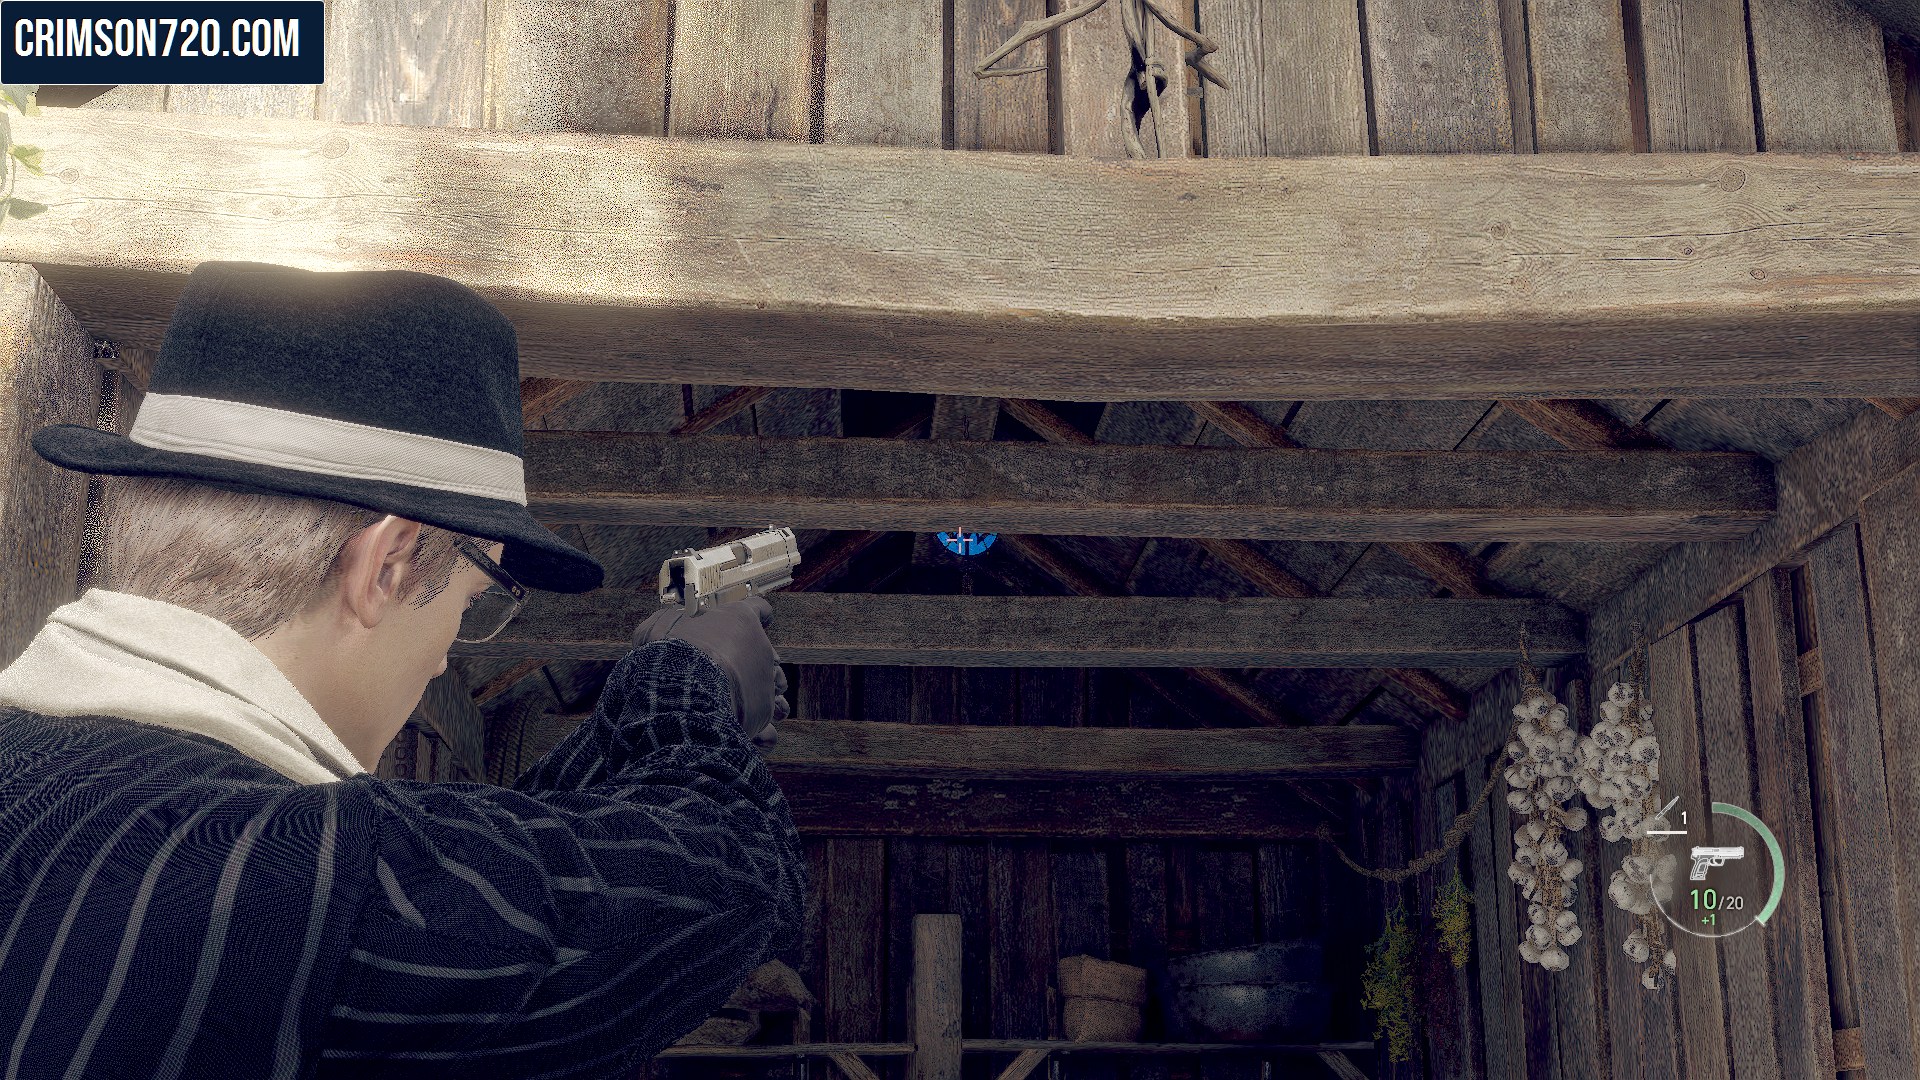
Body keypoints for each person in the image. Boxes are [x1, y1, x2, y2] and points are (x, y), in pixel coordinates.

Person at [0, 261, 806, 1079]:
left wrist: (630, 726)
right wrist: (688, 680)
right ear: (386, 564)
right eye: (473, 598)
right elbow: (726, 883)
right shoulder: (310, 873)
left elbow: (476, 878)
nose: (447, 653)